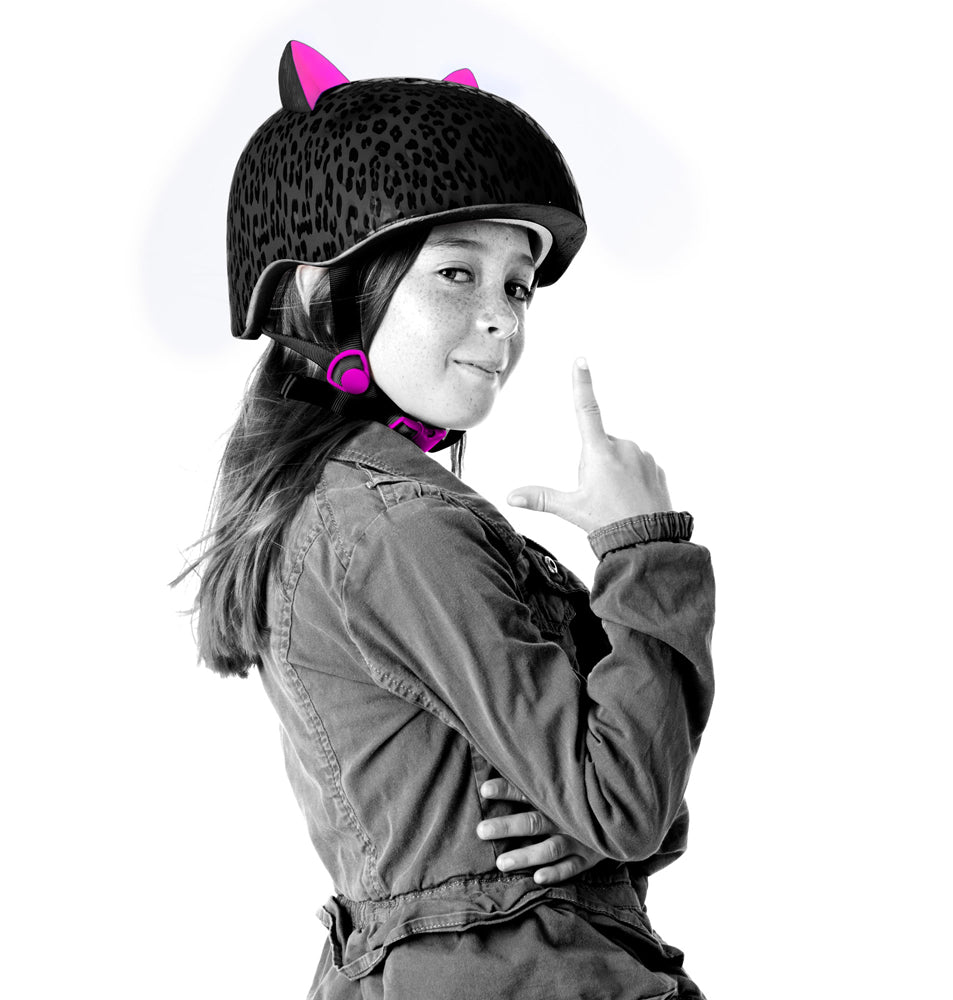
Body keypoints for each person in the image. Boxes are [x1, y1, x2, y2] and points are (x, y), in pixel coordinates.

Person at [178, 40, 715, 1000]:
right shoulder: (396, 528)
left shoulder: (345, 512)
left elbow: (621, 799)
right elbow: (627, 800)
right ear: (328, 295)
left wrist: (600, 819)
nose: (504, 319)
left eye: (516, 284)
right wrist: (644, 547)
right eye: (457, 274)